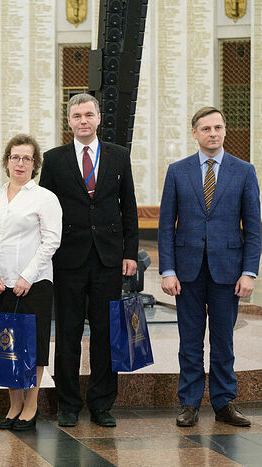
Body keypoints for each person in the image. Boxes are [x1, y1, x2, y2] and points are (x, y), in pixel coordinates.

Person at [39, 93, 138, 427]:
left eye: (88, 115)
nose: (83, 121)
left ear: (98, 118)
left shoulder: (119, 156)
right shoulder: (54, 160)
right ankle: (68, 404)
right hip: (68, 258)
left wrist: (130, 252)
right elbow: (44, 211)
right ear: (69, 121)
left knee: (105, 332)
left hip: (108, 258)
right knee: (67, 333)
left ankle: (101, 404)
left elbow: (129, 206)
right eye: (77, 116)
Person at [159, 107, 261, 427]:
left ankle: (224, 403)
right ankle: (189, 404)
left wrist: (249, 272)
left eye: (218, 127)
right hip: (187, 271)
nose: (213, 133)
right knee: (190, 341)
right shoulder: (177, 171)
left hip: (228, 271)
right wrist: (167, 270)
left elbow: (253, 227)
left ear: (225, 130)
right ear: (195, 133)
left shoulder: (244, 171)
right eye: (206, 128)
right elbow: (166, 226)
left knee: (223, 341)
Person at [0, 134, 62, 431]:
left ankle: (31, 404)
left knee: (33, 347)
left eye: (27, 158)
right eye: (15, 157)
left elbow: (51, 240)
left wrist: (28, 276)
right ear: (7, 161)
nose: (20, 163)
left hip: (34, 284)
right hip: (0, 284)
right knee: (5, 346)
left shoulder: (45, 198)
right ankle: (14, 403)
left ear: (35, 163)